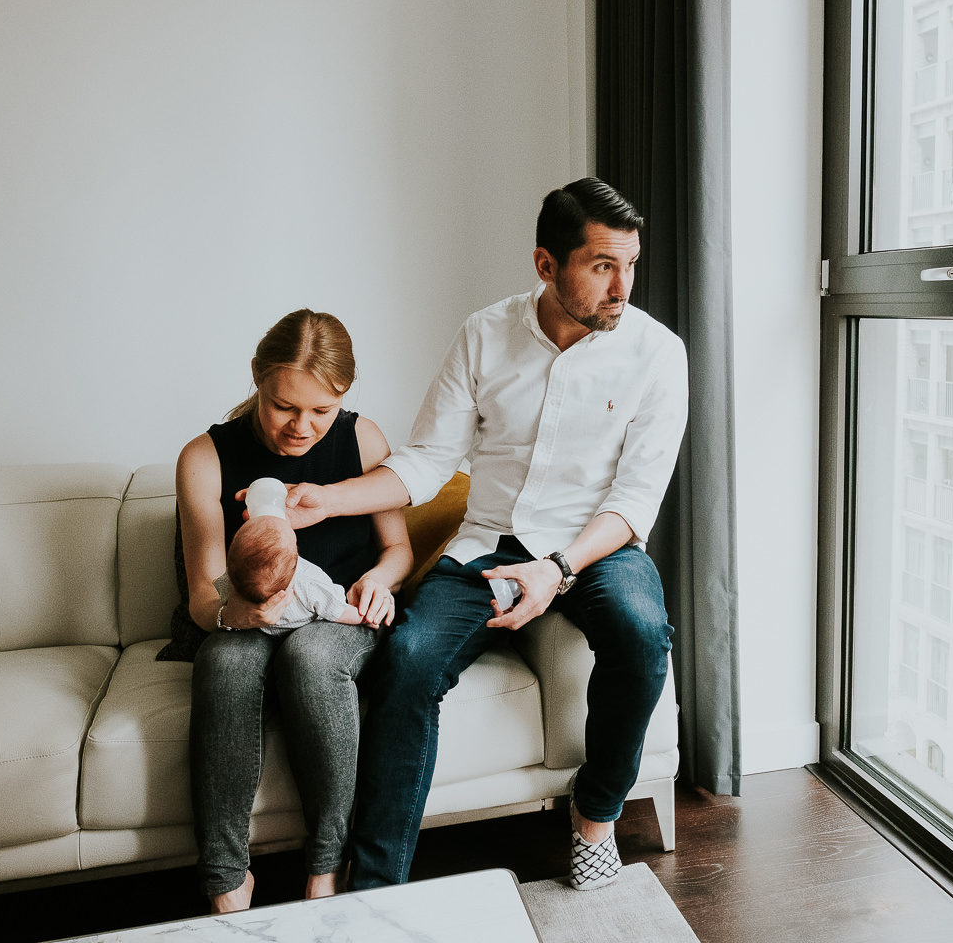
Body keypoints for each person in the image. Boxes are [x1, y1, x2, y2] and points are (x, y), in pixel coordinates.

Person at [264, 178, 688, 891]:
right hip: (489, 542)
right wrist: (327, 500)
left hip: (596, 546)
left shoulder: (659, 353)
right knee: (407, 662)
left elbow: (635, 499)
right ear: (546, 264)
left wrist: (558, 567)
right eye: (602, 266)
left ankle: (594, 817)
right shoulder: (484, 334)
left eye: (630, 264)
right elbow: (428, 461)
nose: (623, 287)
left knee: (644, 636)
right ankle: (375, 891)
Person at [169, 309, 413, 912]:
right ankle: (227, 881)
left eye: (322, 410)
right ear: (257, 377)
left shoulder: (363, 440)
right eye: (284, 407)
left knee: (310, 655)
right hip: (246, 613)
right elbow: (203, 595)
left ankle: (327, 868)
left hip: (337, 612)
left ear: (344, 395)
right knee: (224, 663)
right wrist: (235, 615)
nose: (302, 428)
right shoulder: (205, 457)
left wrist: (378, 581)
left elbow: (398, 550)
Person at [217, 514, 393, 634]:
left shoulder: (232, 580)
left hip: (264, 630)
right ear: (295, 553)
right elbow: (337, 610)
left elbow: (222, 596)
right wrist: (365, 618)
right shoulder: (308, 583)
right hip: (308, 625)